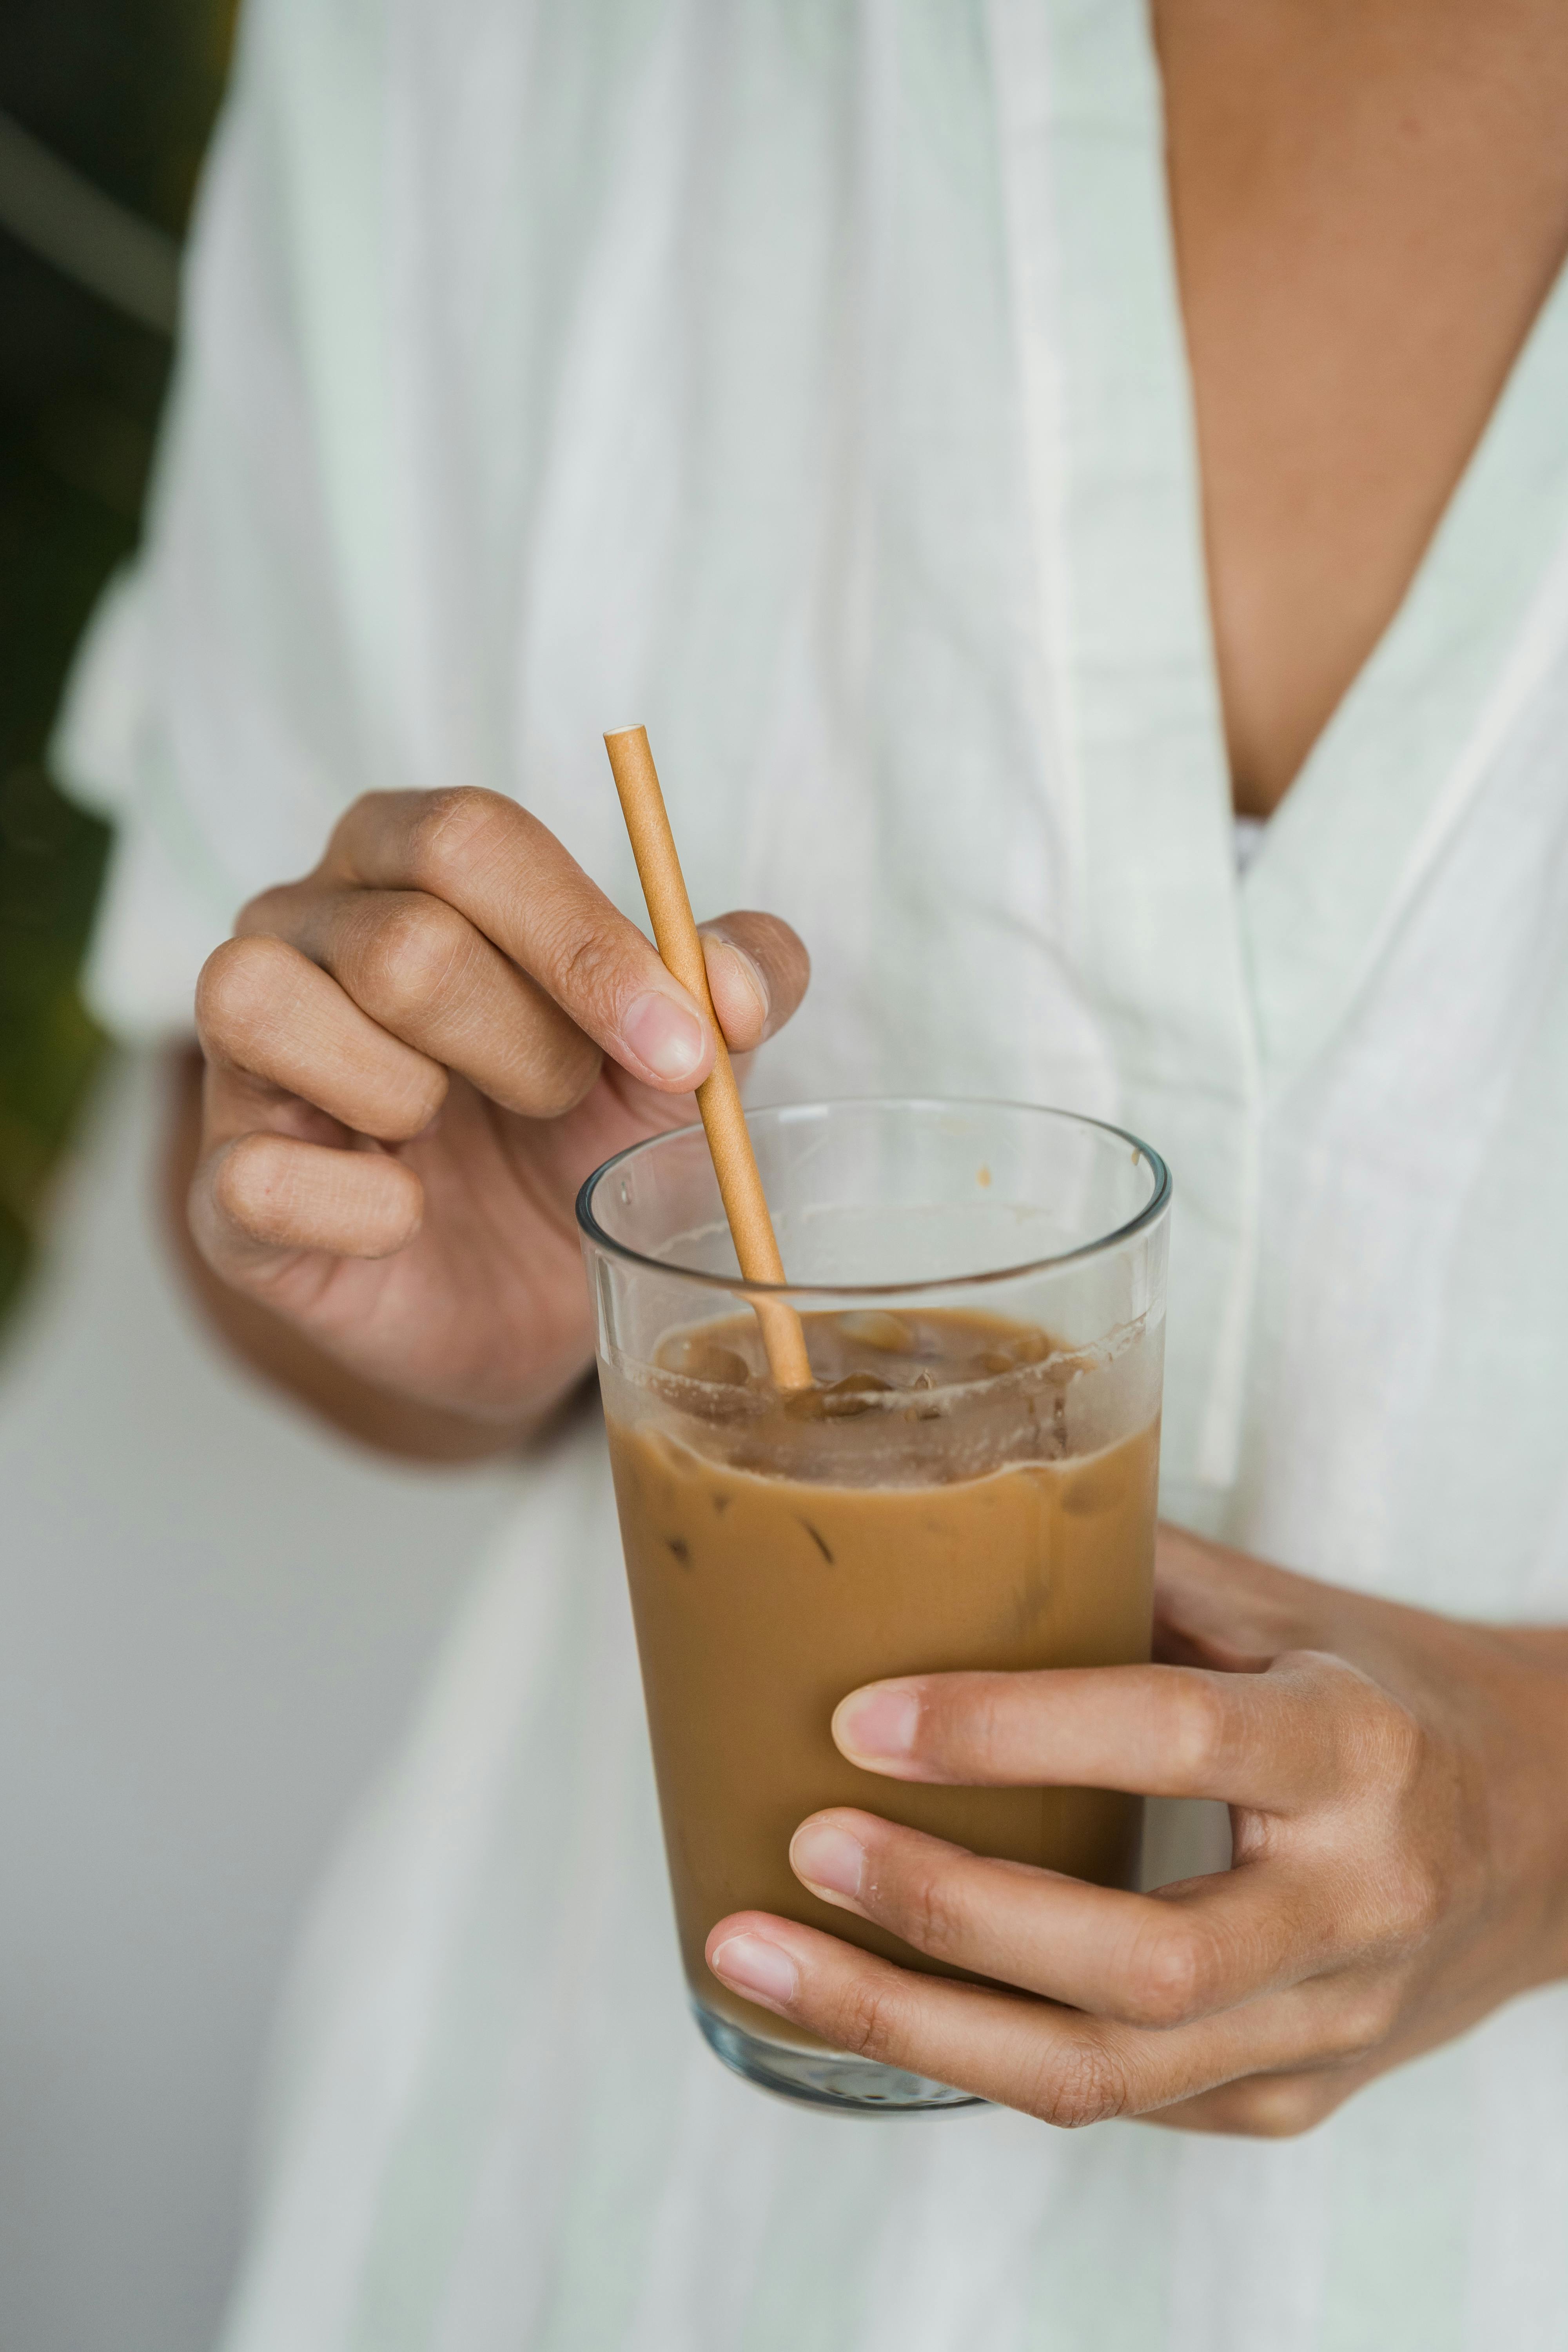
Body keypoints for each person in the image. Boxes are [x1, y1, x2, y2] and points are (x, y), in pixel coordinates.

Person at [54, 0, 1568, 2343]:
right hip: (608, 2226)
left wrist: (1548, 1817)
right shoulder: (481, 54)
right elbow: (246, 1183)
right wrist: (441, 1289)